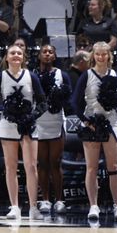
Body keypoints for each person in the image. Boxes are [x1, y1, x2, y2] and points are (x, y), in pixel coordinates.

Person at [71, 42, 117, 222]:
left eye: (105, 54)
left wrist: (114, 100)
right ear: (93, 56)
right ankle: (93, 205)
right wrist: (86, 121)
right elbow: (75, 102)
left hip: (111, 122)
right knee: (92, 167)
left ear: (109, 56)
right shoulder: (86, 75)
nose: (101, 57)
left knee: (115, 167)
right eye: (98, 54)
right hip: (92, 123)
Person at [0, 44, 44, 219]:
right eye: (12, 53)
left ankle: (34, 207)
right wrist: (9, 109)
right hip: (8, 123)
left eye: (19, 53)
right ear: (6, 57)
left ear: (23, 57)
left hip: (28, 124)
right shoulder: (0, 77)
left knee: (31, 166)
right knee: (11, 166)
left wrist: (31, 115)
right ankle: (14, 206)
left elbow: (43, 102)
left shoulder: (32, 76)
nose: (15, 55)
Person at [34, 42, 71, 215]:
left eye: (50, 52)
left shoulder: (62, 75)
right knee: (42, 164)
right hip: (39, 121)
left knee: (55, 163)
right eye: (44, 51)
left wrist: (59, 100)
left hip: (56, 120)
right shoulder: (32, 74)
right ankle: (45, 200)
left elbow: (69, 98)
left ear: (55, 56)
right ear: (39, 55)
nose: (47, 54)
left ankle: (60, 200)